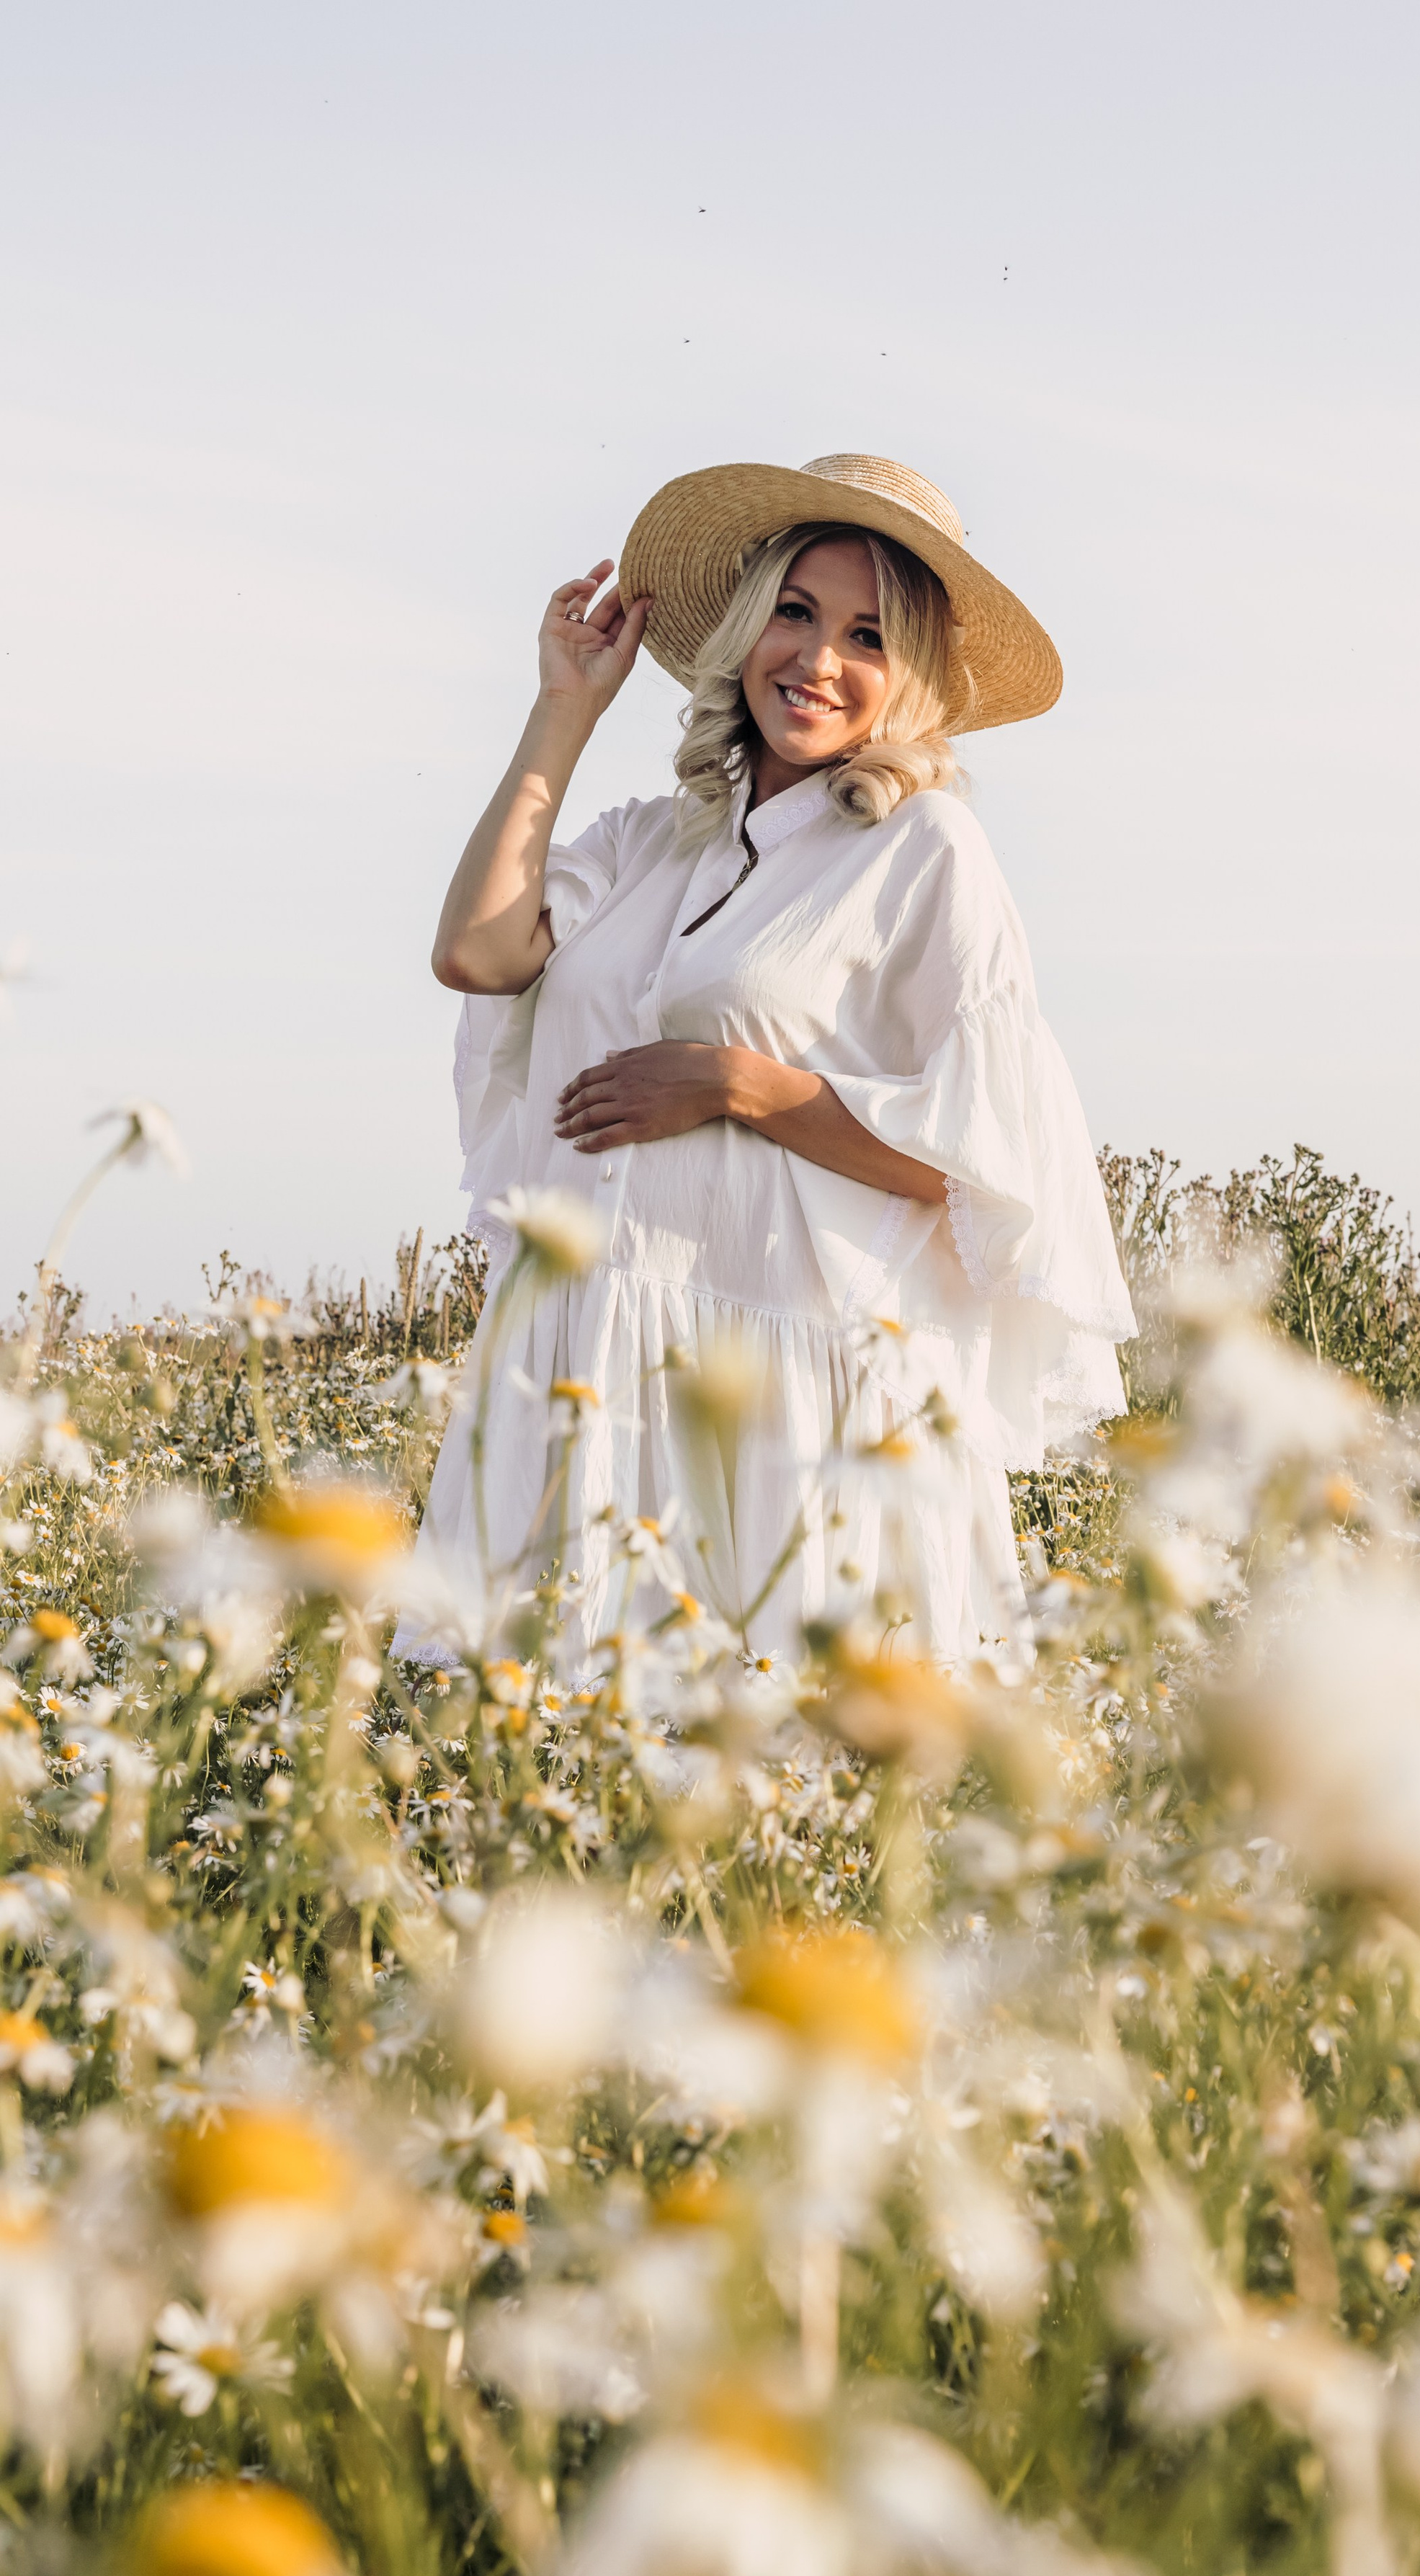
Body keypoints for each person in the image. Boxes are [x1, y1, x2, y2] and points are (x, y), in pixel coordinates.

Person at [401, 452, 1133, 1672]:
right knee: (532, 1777)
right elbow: (478, 954)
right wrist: (565, 709)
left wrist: (741, 1085)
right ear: (746, 628)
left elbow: (993, 1171)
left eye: (868, 636)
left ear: (911, 681)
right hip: (585, 1360)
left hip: (783, 1392)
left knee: (771, 1790)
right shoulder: (654, 840)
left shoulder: (927, 850)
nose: (819, 660)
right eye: (796, 613)